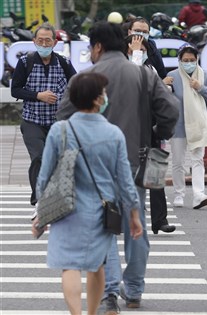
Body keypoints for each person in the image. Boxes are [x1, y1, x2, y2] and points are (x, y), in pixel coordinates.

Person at [56, 21, 179, 315]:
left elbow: (62, 120)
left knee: (104, 229)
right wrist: (155, 131)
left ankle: (110, 293)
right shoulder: (144, 75)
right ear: (124, 46)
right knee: (136, 225)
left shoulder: (85, 78)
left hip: (94, 166)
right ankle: (134, 290)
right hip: (136, 160)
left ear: (97, 46)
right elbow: (171, 111)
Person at [32, 72, 143, 315]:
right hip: (100, 212)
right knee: (97, 265)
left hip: (65, 210)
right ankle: (92, 312)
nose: (105, 98)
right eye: (103, 94)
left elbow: (45, 176)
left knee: (69, 266)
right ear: (95, 100)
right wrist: (134, 214)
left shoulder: (60, 130)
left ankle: (76, 313)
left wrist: (42, 212)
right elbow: (125, 180)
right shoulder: (113, 134)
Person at [11, 22, 76, 207]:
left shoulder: (63, 62)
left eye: (48, 41)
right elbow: (15, 90)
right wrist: (38, 96)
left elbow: (76, 85)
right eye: (41, 40)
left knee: (57, 160)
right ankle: (38, 197)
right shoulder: (25, 62)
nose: (44, 44)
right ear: (34, 41)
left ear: (55, 43)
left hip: (57, 122)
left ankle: (56, 196)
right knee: (38, 157)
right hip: (32, 120)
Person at [126, 34, 176, 234]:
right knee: (129, 176)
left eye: (143, 49)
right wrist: (135, 54)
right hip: (128, 128)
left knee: (155, 174)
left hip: (150, 125)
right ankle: (124, 217)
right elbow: (135, 84)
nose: (140, 51)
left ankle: (160, 220)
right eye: (135, 48)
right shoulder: (122, 67)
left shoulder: (151, 68)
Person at [166, 43, 207, 209]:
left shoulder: (205, 77)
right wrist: (162, 84)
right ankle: (179, 194)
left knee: (197, 161)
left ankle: (198, 195)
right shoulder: (172, 76)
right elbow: (162, 98)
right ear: (179, 60)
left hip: (198, 125)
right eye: (185, 60)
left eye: (192, 60)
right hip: (178, 126)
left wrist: (200, 88)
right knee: (178, 162)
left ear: (197, 60)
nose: (189, 63)